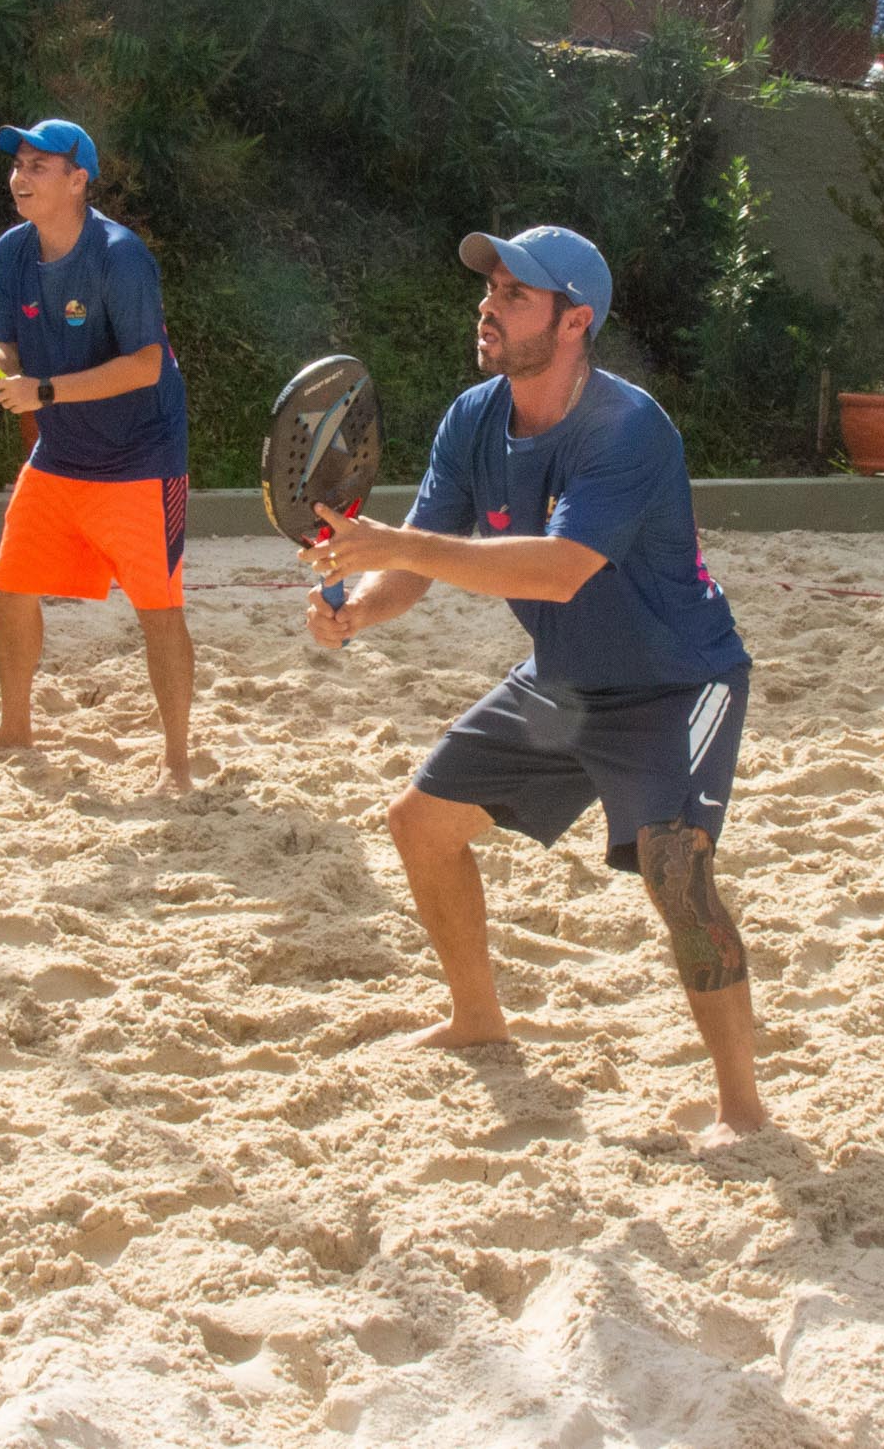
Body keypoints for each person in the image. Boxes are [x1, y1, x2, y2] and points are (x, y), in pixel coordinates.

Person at [300, 225, 770, 1146]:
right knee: (419, 824)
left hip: (676, 682)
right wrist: (358, 606)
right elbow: (420, 566)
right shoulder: (472, 418)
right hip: (564, 681)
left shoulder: (627, 428)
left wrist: (392, 543)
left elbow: (556, 570)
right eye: (491, 288)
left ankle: (742, 1108)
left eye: (515, 294)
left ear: (572, 321)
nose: (489, 304)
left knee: (674, 870)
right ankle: (479, 1016)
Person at [0, 118, 197, 793]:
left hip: (141, 458)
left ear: (77, 179)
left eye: (39, 165)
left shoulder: (120, 256)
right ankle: (15, 726)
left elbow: (147, 364)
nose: (20, 177)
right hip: (61, 457)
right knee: (9, 587)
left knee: (159, 610)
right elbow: (4, 347)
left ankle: (177, 759)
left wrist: (44, 389)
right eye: (18, 165)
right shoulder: (12, 251)